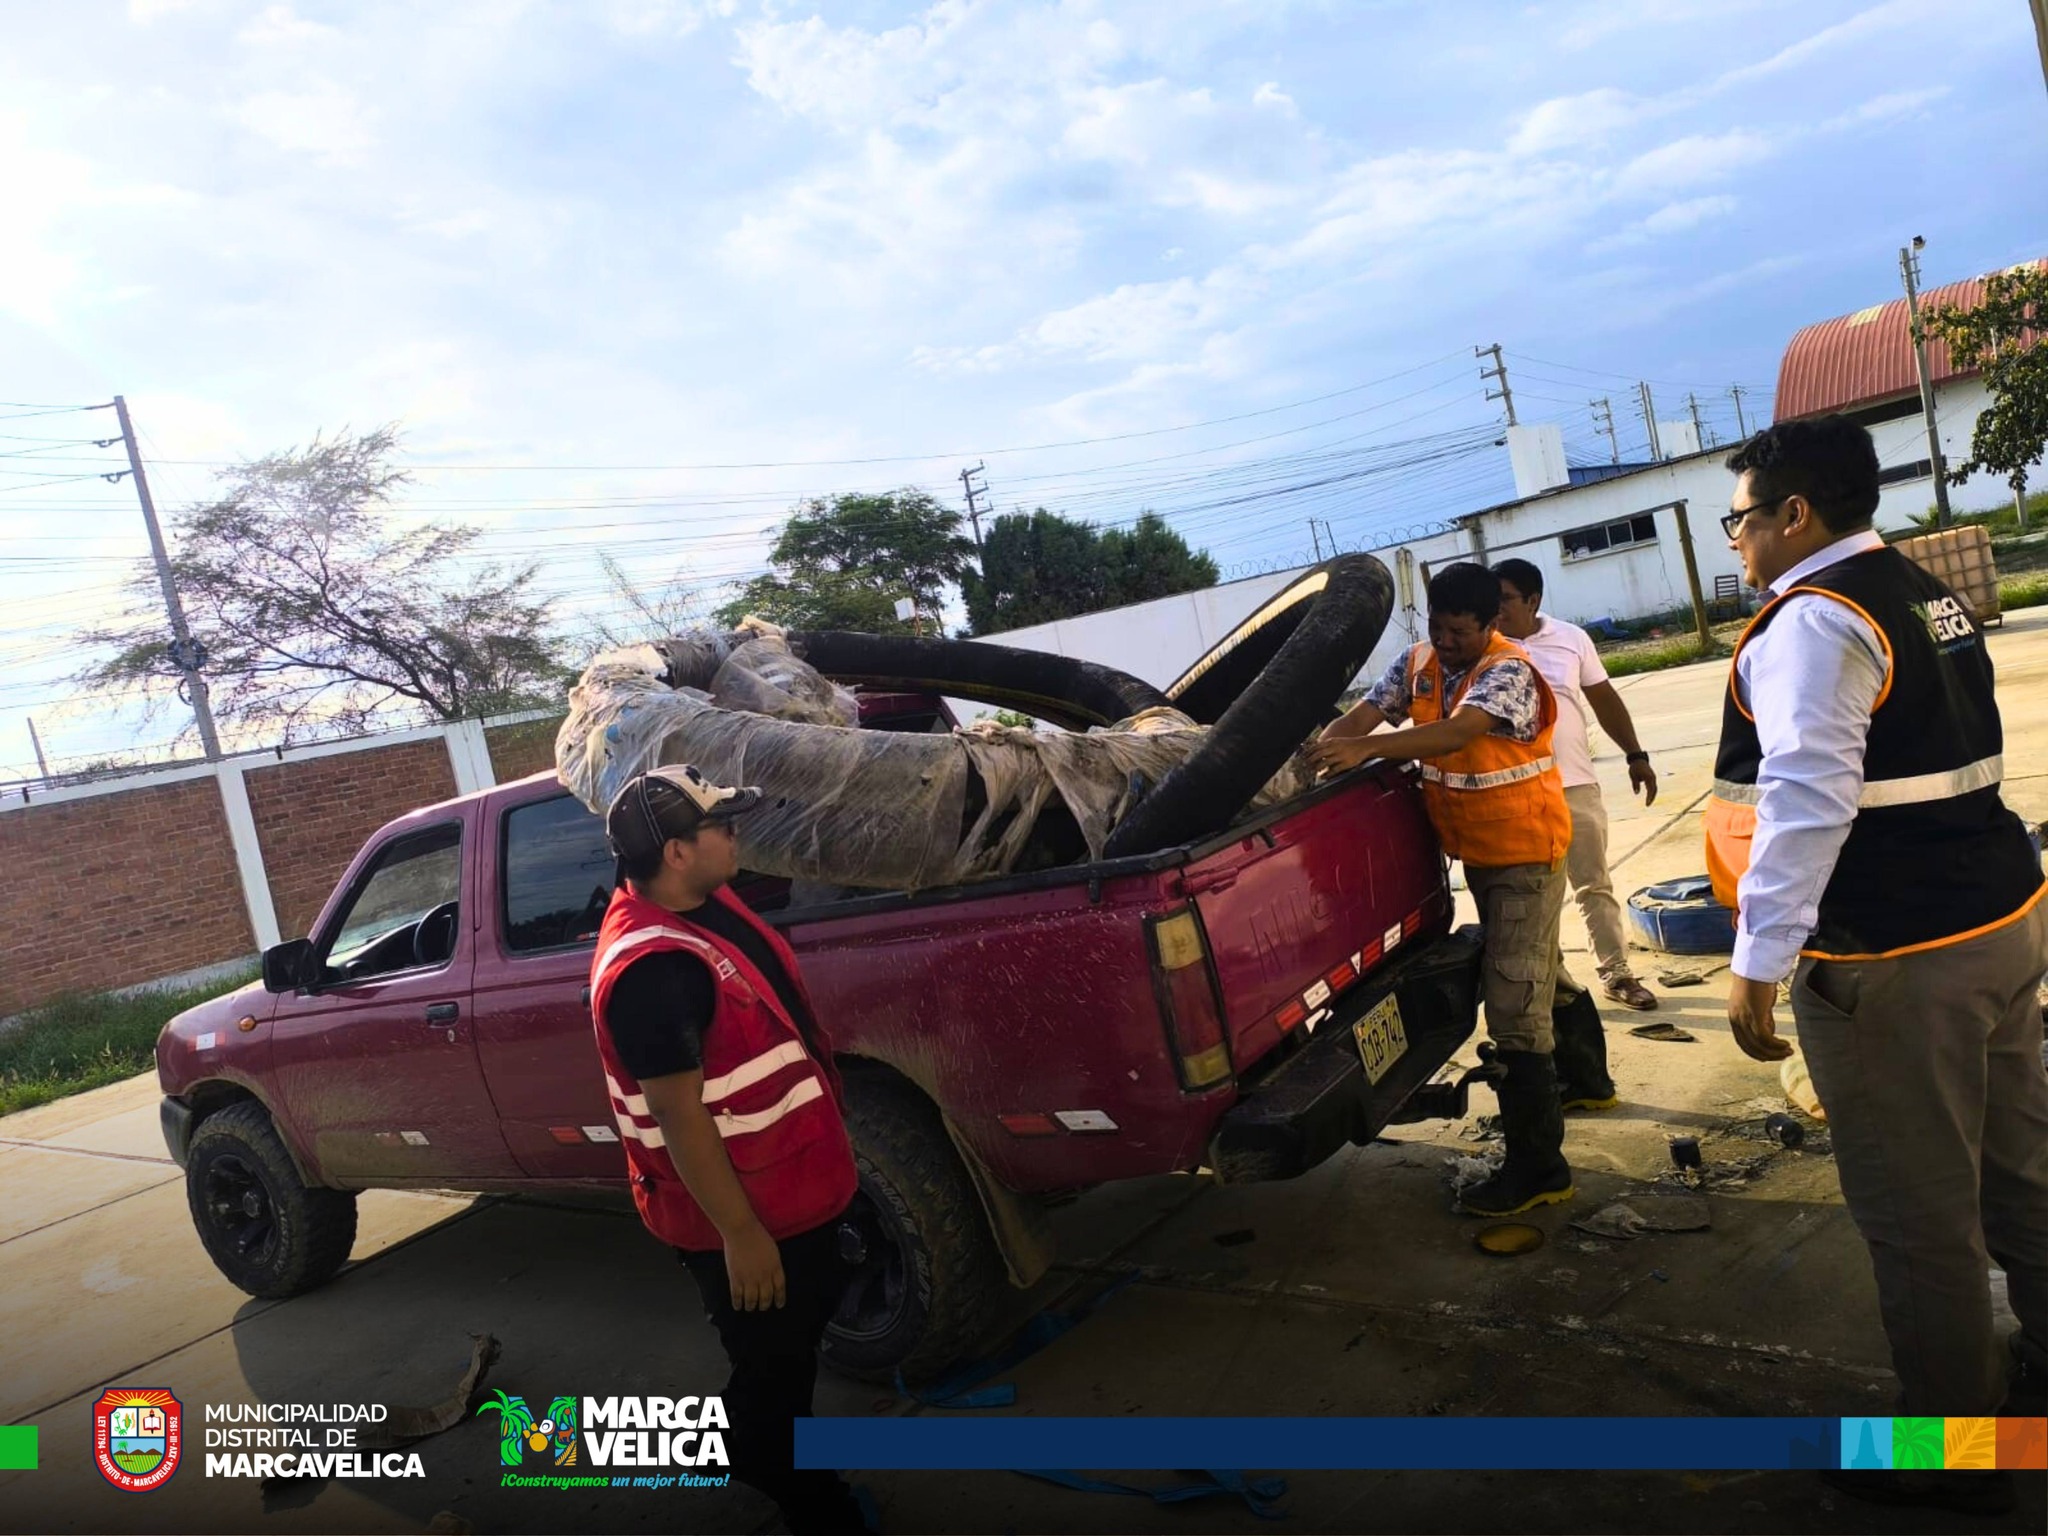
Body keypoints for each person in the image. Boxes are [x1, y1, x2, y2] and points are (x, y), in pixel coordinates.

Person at [1710, 417, 2048, 1517]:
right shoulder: (1909, 585)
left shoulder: (1813, 621)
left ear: (1790, 515)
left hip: (1896, 953)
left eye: (1740, 518)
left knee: (1916, 1216)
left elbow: (1805, 798)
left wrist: (1756, 958)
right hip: (1998, 915)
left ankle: (1954, 1457)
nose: (1737, 541)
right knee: (2019, 1171)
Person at [588, 763, 869, 1535]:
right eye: (722, 825)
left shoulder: (704, 901)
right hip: (743, 1215)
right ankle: (807, 1499)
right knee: (773, 1374)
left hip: (792, 1189)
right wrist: (741, 1237)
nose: (737, 833)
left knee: (788, 1349)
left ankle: (758, 1438)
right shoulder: (655, 971)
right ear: (677, 852)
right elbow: (679, 1118)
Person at [1308, 561, 1615, 1216]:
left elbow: (1456, 734)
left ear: (1492, 623)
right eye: (1436, 627)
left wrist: (1369, 752)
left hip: (1527, 854)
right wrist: (1321, 753)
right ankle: (1589, 1081)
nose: (1444, 642)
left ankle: (1540, 1169)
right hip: (1479, 851)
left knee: (1512, 1004)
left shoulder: (1510, 670)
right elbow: (1361, 717)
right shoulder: (1417, 663)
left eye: (1458, 631)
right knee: (1537, 970)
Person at [1492, 558, 1662, 1012]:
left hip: (1574, 785)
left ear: (1533, 600)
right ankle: (1555, 983)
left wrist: (1636, 755)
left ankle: (1617, 974)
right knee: (1530, 895)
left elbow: (1603, 699)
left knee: (1593, 884)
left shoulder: (1571, 638)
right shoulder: (1485, 647)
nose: (1496, 607)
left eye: (1505, 598)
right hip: (1516, 792)